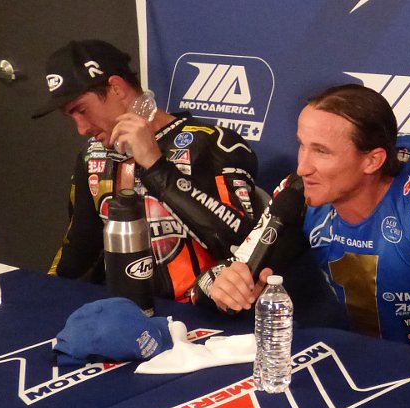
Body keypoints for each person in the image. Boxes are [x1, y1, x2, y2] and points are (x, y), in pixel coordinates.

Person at [204, 84, 410, 366]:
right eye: (302, 145)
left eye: (321, 151)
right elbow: (226, 276)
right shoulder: (298, 194)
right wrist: (222, 285)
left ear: (372, 161)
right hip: (367, 364)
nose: (302, 166)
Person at [33, 40, 259, 301]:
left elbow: (245, 244)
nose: (81, 129)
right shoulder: (91, 155)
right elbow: (79, 247)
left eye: (82, 110)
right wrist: (42, 295)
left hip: (200, 319)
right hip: (119, 314)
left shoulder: (215, 144)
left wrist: (155, 165)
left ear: (116, 88)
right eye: (70, 117)